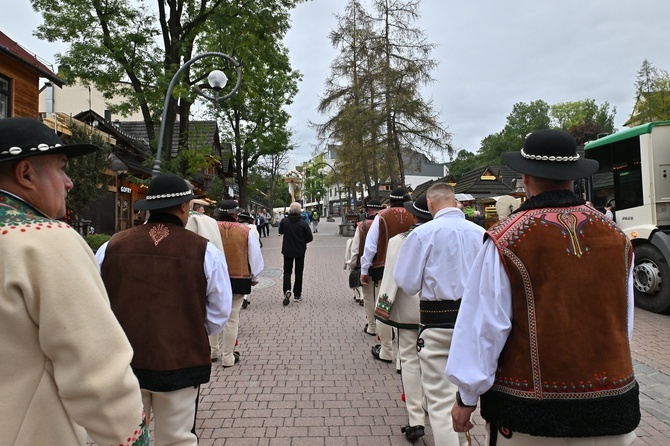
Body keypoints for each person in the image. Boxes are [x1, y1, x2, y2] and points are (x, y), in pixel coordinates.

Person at [446, 129, 640, 445]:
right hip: (612, 407)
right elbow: (622, 323)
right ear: (574, 177)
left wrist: (466, 397)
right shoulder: (616, 236)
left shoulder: (506, 239)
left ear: (525, 177)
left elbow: (484, 329)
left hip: (530, 415)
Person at [0, 117, 148, 445]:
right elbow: (98, 374)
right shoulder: (43, 240)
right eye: (62, 168)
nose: (69, 182)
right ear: (25, 174)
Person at [96, 173, 232, 445]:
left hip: (124, 361)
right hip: (180, 359)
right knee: (177, 439)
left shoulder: (110, 246)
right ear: (184, 207)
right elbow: (219, 311)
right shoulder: (204, 251)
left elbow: (95, 302)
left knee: (125, 439)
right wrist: (189, 331)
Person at [394, 182, 485, 446]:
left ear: (430, 204)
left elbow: (407, 283)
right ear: (455, 201)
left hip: (437, 320)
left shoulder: (423, 234)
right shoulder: (480, 232)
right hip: (474, 322)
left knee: (439, 398)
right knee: (473, 394)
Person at [377, 194, 433, 442]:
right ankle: (434, 405)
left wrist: (384, 308)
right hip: (446, 312)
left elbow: (392, 277)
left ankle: (415, 418)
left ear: (414, 214)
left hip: (409, 309)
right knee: (437, 362)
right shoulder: (448, 234)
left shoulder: (399, 240)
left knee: (409, 358)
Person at [360, 187, 412, 363]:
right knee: (407, 311)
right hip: (411, 269)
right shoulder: (415, 215)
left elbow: (370, 246)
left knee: (383, 307)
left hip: (385, 268)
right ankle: (402, 356)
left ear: (390, 201)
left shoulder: (381, 216)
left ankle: (386, 349)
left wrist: (364, 269)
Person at [212, 200, 264, 366]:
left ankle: (212, 351)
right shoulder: (245, 230)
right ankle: (228, 357)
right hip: (238, 278)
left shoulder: (210, 229)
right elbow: (254, 256)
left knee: (211, 314)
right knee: (232, 318)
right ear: (236, 213)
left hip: (212, 278)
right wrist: (254, 277)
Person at [279, 202, 313, 305]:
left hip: (287, 250)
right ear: (299, 211)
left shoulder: (284, 221)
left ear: (290, 210)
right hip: (300, 251)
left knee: (287, 271)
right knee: (299, 272)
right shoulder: (303, 223)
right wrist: (302, 241)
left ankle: (287, 289)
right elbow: (310, 237)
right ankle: (297, 294)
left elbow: (280, 231)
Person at [238, 209, 263, 308]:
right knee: (248, 276)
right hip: (250, 254)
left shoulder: (236, 228)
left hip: (239, 255)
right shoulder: (252, 228)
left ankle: (242, 297)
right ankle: (245, 296)